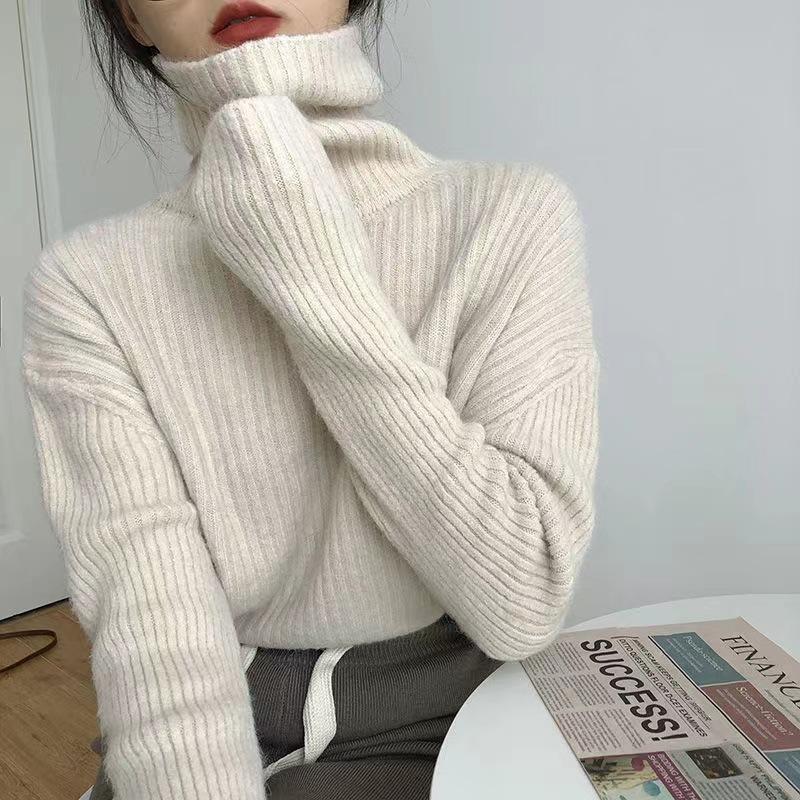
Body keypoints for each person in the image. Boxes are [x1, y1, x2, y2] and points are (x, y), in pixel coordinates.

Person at [20, 1, 601, 798]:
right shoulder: (89, 283)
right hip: (204, 720)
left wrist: (312, 276)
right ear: (132, 17)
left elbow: (521, 600)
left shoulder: (509, 216)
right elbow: (153, 618)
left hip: (447, 720)